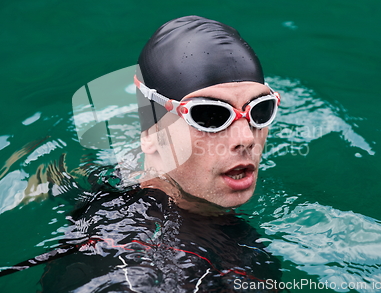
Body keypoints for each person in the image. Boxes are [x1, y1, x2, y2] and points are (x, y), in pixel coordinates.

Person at [40, 16, 283, 292]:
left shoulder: (109, 183)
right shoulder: (130, 263)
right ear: (151, 134)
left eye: (260, 110)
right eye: (210, 116)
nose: (246, 138)